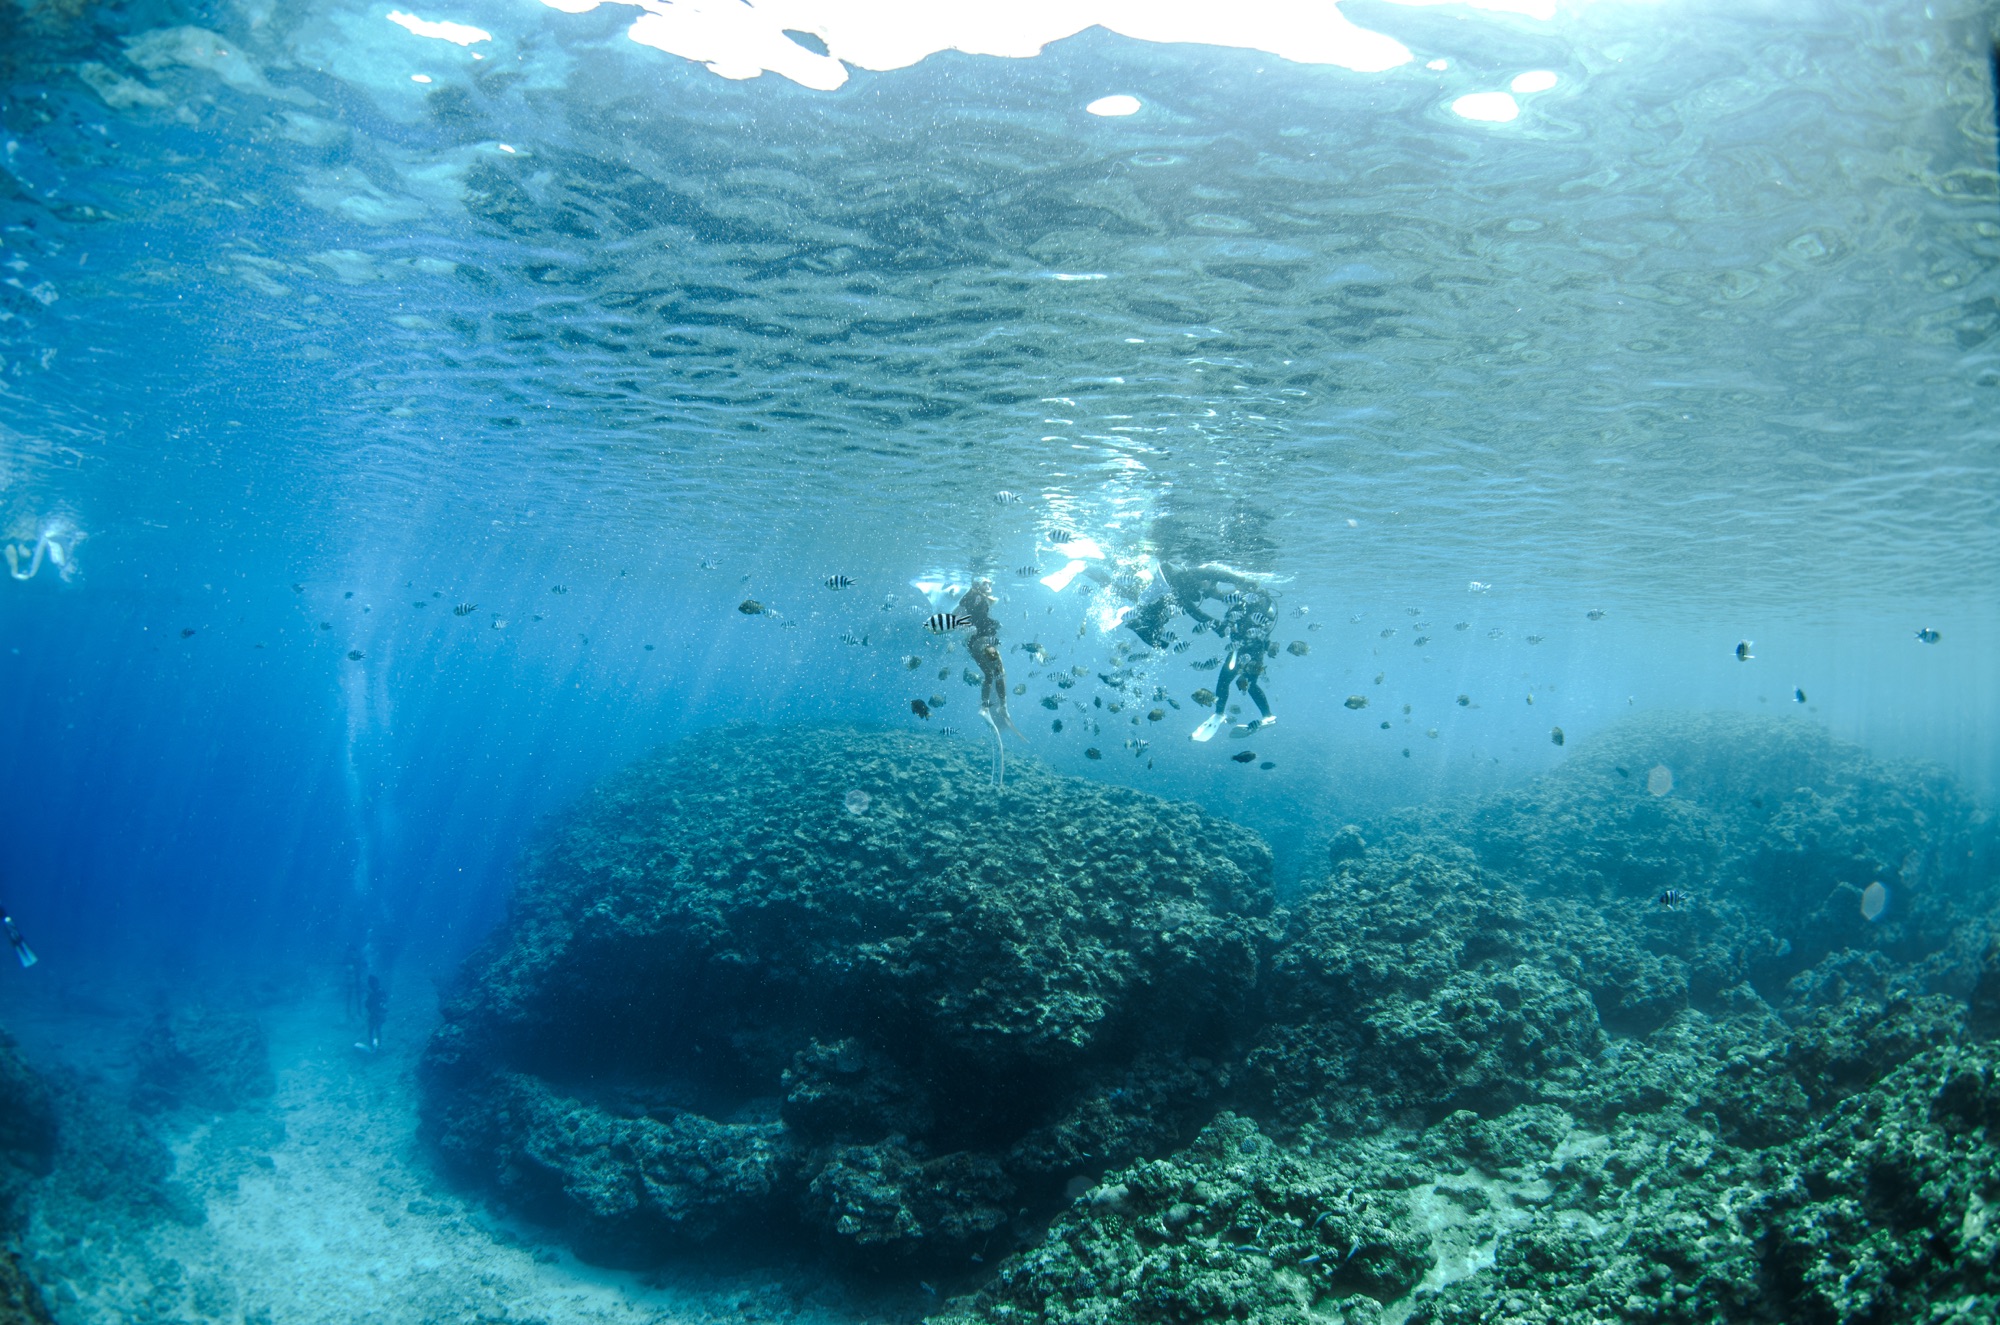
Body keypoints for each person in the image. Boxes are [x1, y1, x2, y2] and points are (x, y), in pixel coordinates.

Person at [1151, 561, 1278, 741]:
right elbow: (1210, 601)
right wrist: (1217, 624)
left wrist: (1239, 583)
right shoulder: (1238, 595)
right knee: (1239, 682)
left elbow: (1218, 579)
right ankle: (1262, 716)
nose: (1208, 589)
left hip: (1250, 647)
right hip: (1245, 647)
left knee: (1232, 681)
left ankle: (1228, 714)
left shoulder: (1253, 598)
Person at [360, 975, 387, 1052]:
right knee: (376, 1029)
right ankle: (377, 1045)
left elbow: (368, 1004)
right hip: (378, 1013)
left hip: (375, 1014)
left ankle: (374, 1045)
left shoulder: (374, 993)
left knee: (373, 1029)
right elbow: (384, 1001)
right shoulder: (380, 991)